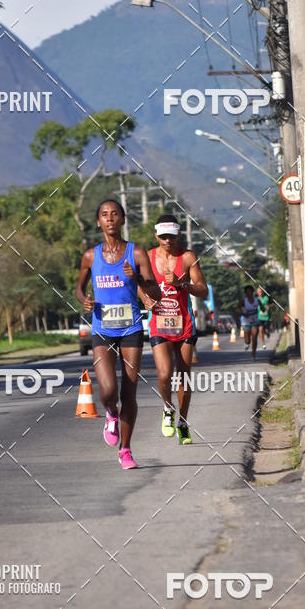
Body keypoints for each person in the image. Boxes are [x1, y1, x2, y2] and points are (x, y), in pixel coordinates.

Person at [75, 199, 161, 469]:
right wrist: (84, 300)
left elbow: (155, 292)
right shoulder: (91, 256)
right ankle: (111, 414)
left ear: (123, 219)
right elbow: (78, 288)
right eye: (104, 214)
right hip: (102, 329)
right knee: (108, 392)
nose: (110, 218)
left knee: (129, 393)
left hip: (131, 329)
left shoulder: (137, 254)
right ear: (98, 221)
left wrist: (135, 279)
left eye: (115, 214)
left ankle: (125, 449)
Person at [139, 215, 207, 445]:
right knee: (164, 374)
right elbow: (138, 285)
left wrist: (181, 284)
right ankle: (168, 409)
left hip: (184, 325)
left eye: (172, 235)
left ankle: (183, 422)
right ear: (156, 235)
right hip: (159, 323)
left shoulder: (188, 258)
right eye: (163, 236)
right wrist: (145, 300)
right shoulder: (148, 258)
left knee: (184, 378)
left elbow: (203, 290)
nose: (168, 240)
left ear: (179, 235)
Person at [239, 285, 259, 359]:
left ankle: (253, 353)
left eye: (250, 291)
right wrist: (243, 313)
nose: (248, 293)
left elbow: (262, 307)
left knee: (254, 337)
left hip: (255, 321)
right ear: (245, 293)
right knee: (247, 340)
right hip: (246, 322)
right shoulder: (243, 301)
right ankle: (246, 343)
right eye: (247, 292)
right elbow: (239, 308)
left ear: (252, 292)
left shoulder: (257, 300)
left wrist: (264, 308)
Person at [256, 285, 271, 350]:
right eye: (259, 292)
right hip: (259, 317)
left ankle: (267, 332)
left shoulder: (266, 298)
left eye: (261, 291)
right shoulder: (256, 299)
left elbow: (272, 304)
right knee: (261, 330)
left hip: (266, 317)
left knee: (266, 331)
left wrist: (269, 306)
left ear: (263, 292)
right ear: (257, 292)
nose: (260, 293)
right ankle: (263, 344)